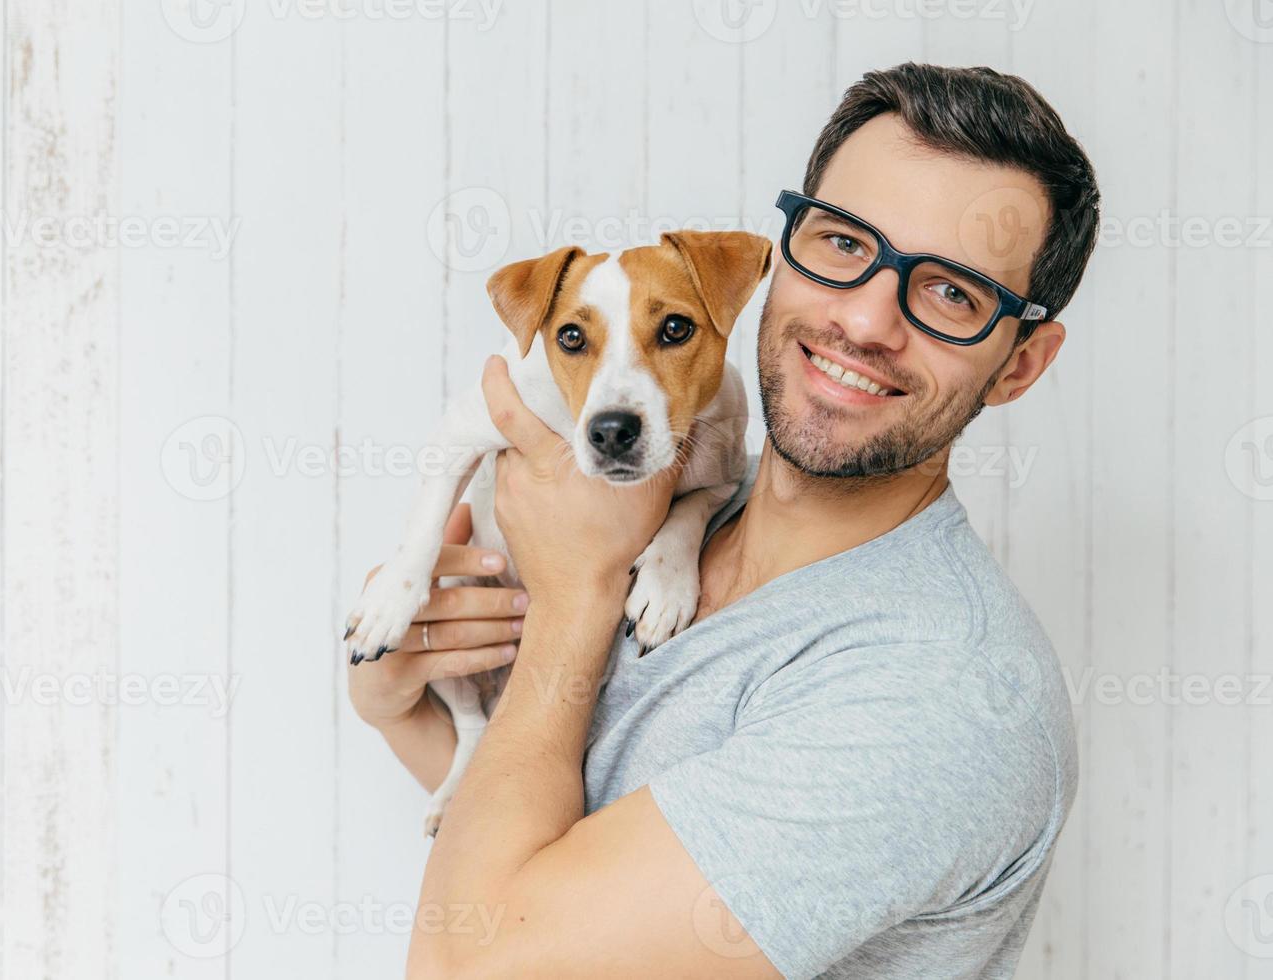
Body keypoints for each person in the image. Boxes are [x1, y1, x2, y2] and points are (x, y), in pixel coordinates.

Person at [349, 63, 1099, 979]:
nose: (866, 319)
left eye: (952, 293)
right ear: (783, 251)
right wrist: (398, 713)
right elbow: (546, 856)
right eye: (844, 243)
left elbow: (472, 963)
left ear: (1021, 365)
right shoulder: (678, 504)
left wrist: (573, 594)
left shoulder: (943, 697)